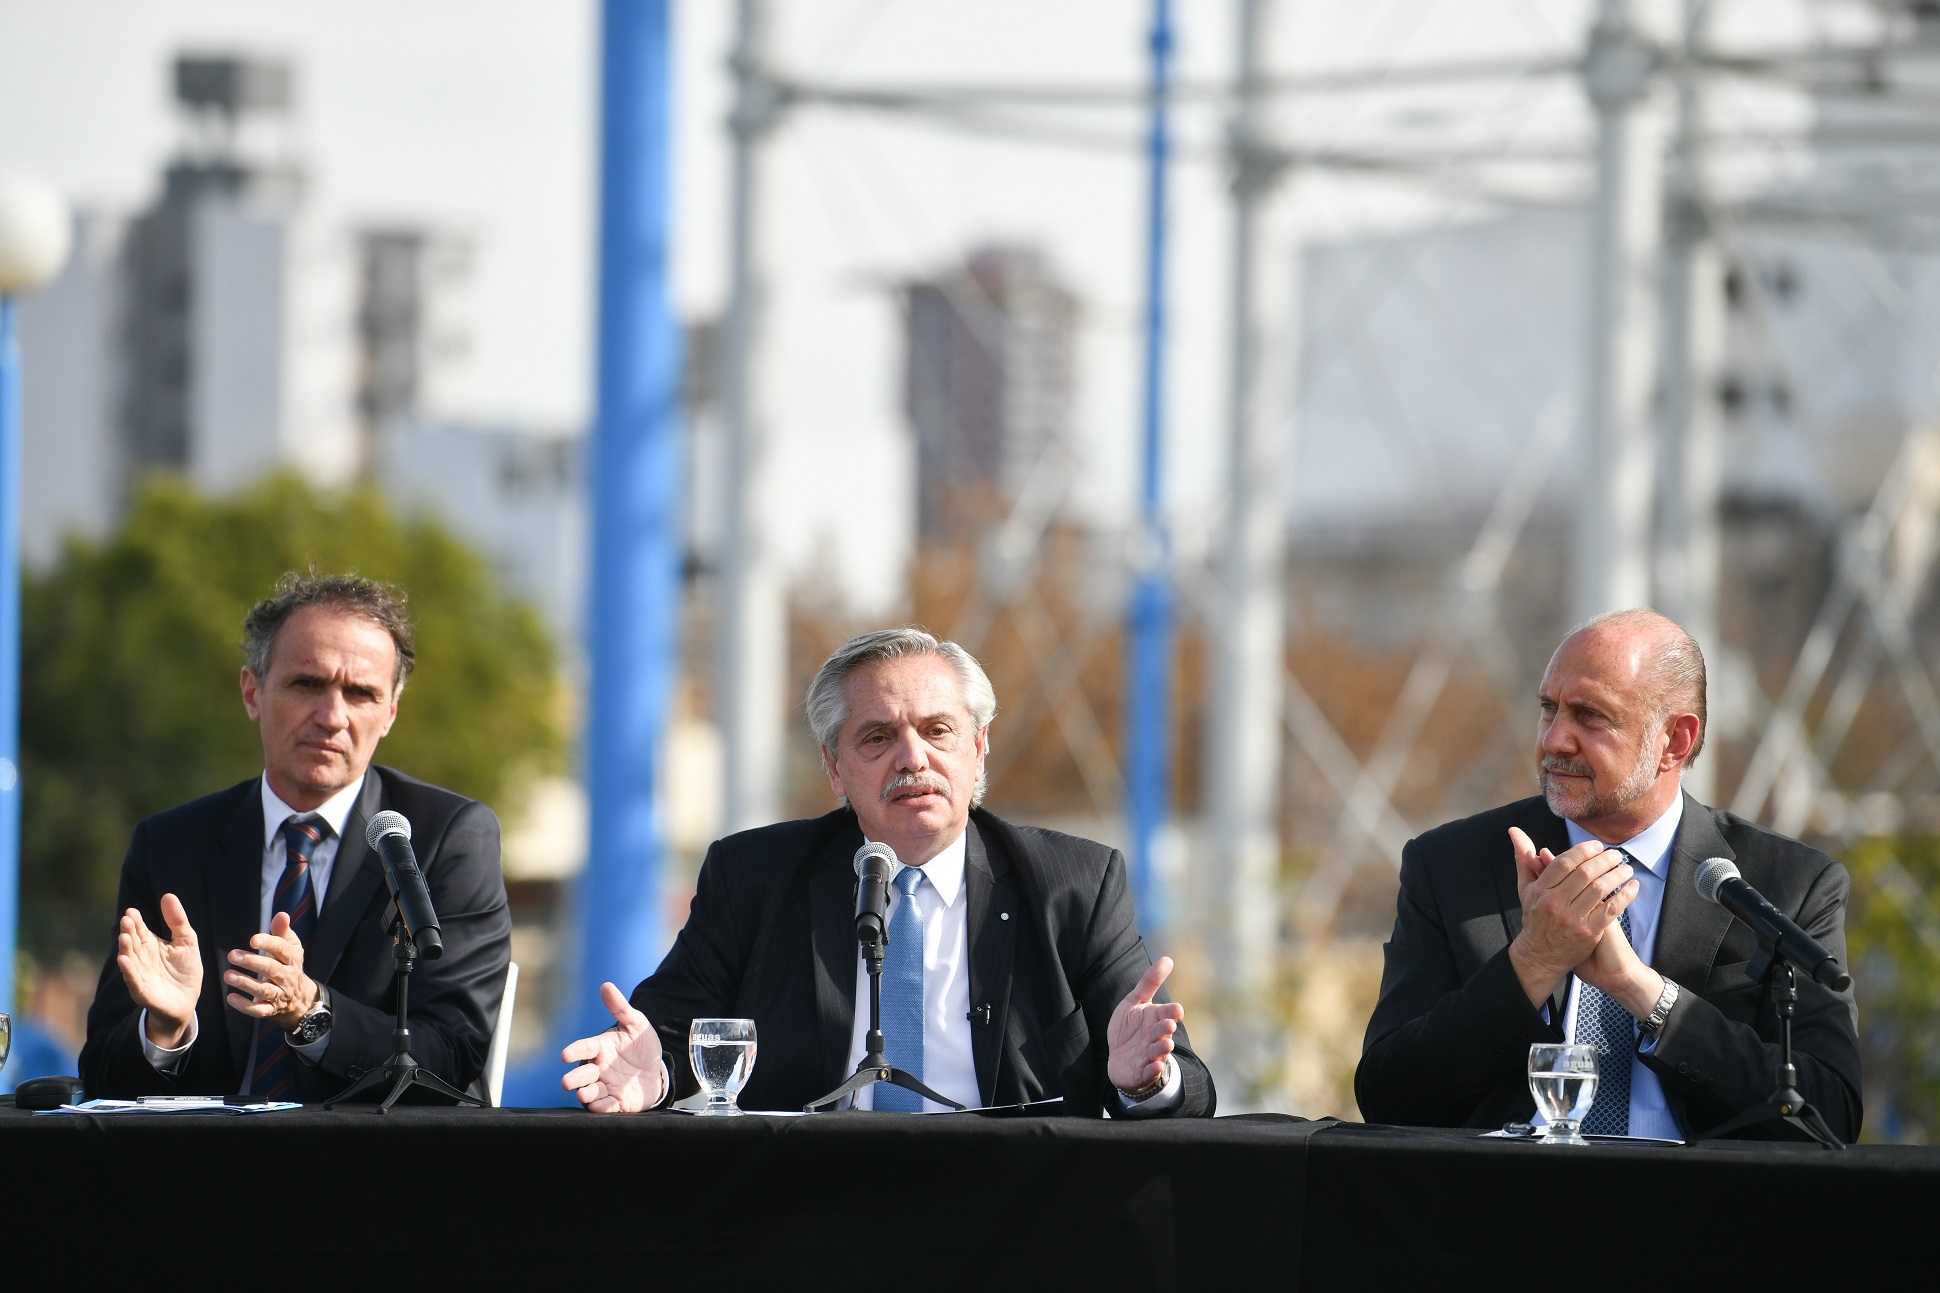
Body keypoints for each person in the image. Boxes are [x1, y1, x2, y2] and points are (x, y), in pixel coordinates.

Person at [562, 627, 1216, 1117]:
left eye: (938, 730)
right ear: (834, 766)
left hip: (1013, 1217)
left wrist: (1143, 1081)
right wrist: (661, 1071)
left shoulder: (1074, 883)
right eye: (877, 737)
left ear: (978, 749)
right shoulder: (753, 875)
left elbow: (1187, 1087)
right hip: (807, 1216)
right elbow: (673, 1035)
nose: (913, 757)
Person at [1357, 608, 1862, 1141]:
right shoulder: (1452, 866)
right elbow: (1389, 1097)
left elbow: (1829, 1113)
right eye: (1549, 710)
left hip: (1698, 1210)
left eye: (1590, 716)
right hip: (1507, 1206)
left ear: (1675, 741)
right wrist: (1533, 962)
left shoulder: (1787, 884)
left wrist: (1642, 992)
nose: (1554, 740)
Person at [80, 572, 512, 1101]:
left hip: (369, 1169)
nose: (332, 717)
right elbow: (101, 1072)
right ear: (252, 692)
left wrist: (311, 1011)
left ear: (390, 713)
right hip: (202, 1171)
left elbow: (452, 1055)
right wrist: (163, 1031)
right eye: (308, 684)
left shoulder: (445, 839)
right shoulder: (171, 844)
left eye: (361, 694)